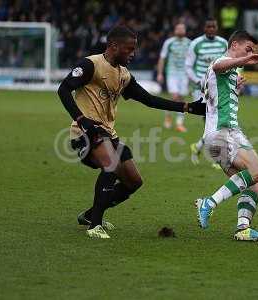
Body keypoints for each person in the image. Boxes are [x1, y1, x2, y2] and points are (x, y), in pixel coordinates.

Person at [57, 25, 205, 239]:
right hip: (85, 133)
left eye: (134, 49)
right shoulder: (91, 64)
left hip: (108, 133)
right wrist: (82, 120)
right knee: (111, 163)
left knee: (134, 181)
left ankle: (89, 215)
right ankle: (95, 226)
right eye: (129, 49)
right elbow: (63, 89)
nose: (133, 53)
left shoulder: (123, 75)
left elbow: (149, 100)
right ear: (114, 46)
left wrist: (188, 107)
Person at [195, 30, 258, 241]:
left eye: (252, 51)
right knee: (257, 170)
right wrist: (247, 58)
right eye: (248, 49)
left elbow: (212, 92)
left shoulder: (230, 72)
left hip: (219, 136)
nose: (250, 54)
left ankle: (242, 229)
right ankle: (208, 203)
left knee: (255, 186)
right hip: (224, 133)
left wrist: (235, 88)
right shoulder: (221, 61)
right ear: (235, 44)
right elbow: (218, 65)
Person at [185, 18, 227, 169]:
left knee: (216, 121)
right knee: (212, 122)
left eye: (213, 26)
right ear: (204, 28)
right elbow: (188, 66)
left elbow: (230, 62)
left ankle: (198, 146)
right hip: (200, 89)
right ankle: (217, 157)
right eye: (208, 26)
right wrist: (197, 80)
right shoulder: (195, 44)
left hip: (218, 87)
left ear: (217, 28)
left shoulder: (223, 43)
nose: (211, 29)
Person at [157, 23, 191, 132]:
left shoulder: (189, 43)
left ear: (185, 30)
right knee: (175, 96)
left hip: (184, 74)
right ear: (175, 30)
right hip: (172, 73)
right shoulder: (169, 42)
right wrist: (160, 73)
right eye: (178, 28)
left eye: (182, 28)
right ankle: (168, 117)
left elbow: (192, 60)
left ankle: (179, 124)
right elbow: (162, 58)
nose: (180, 30)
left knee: (181, 98)